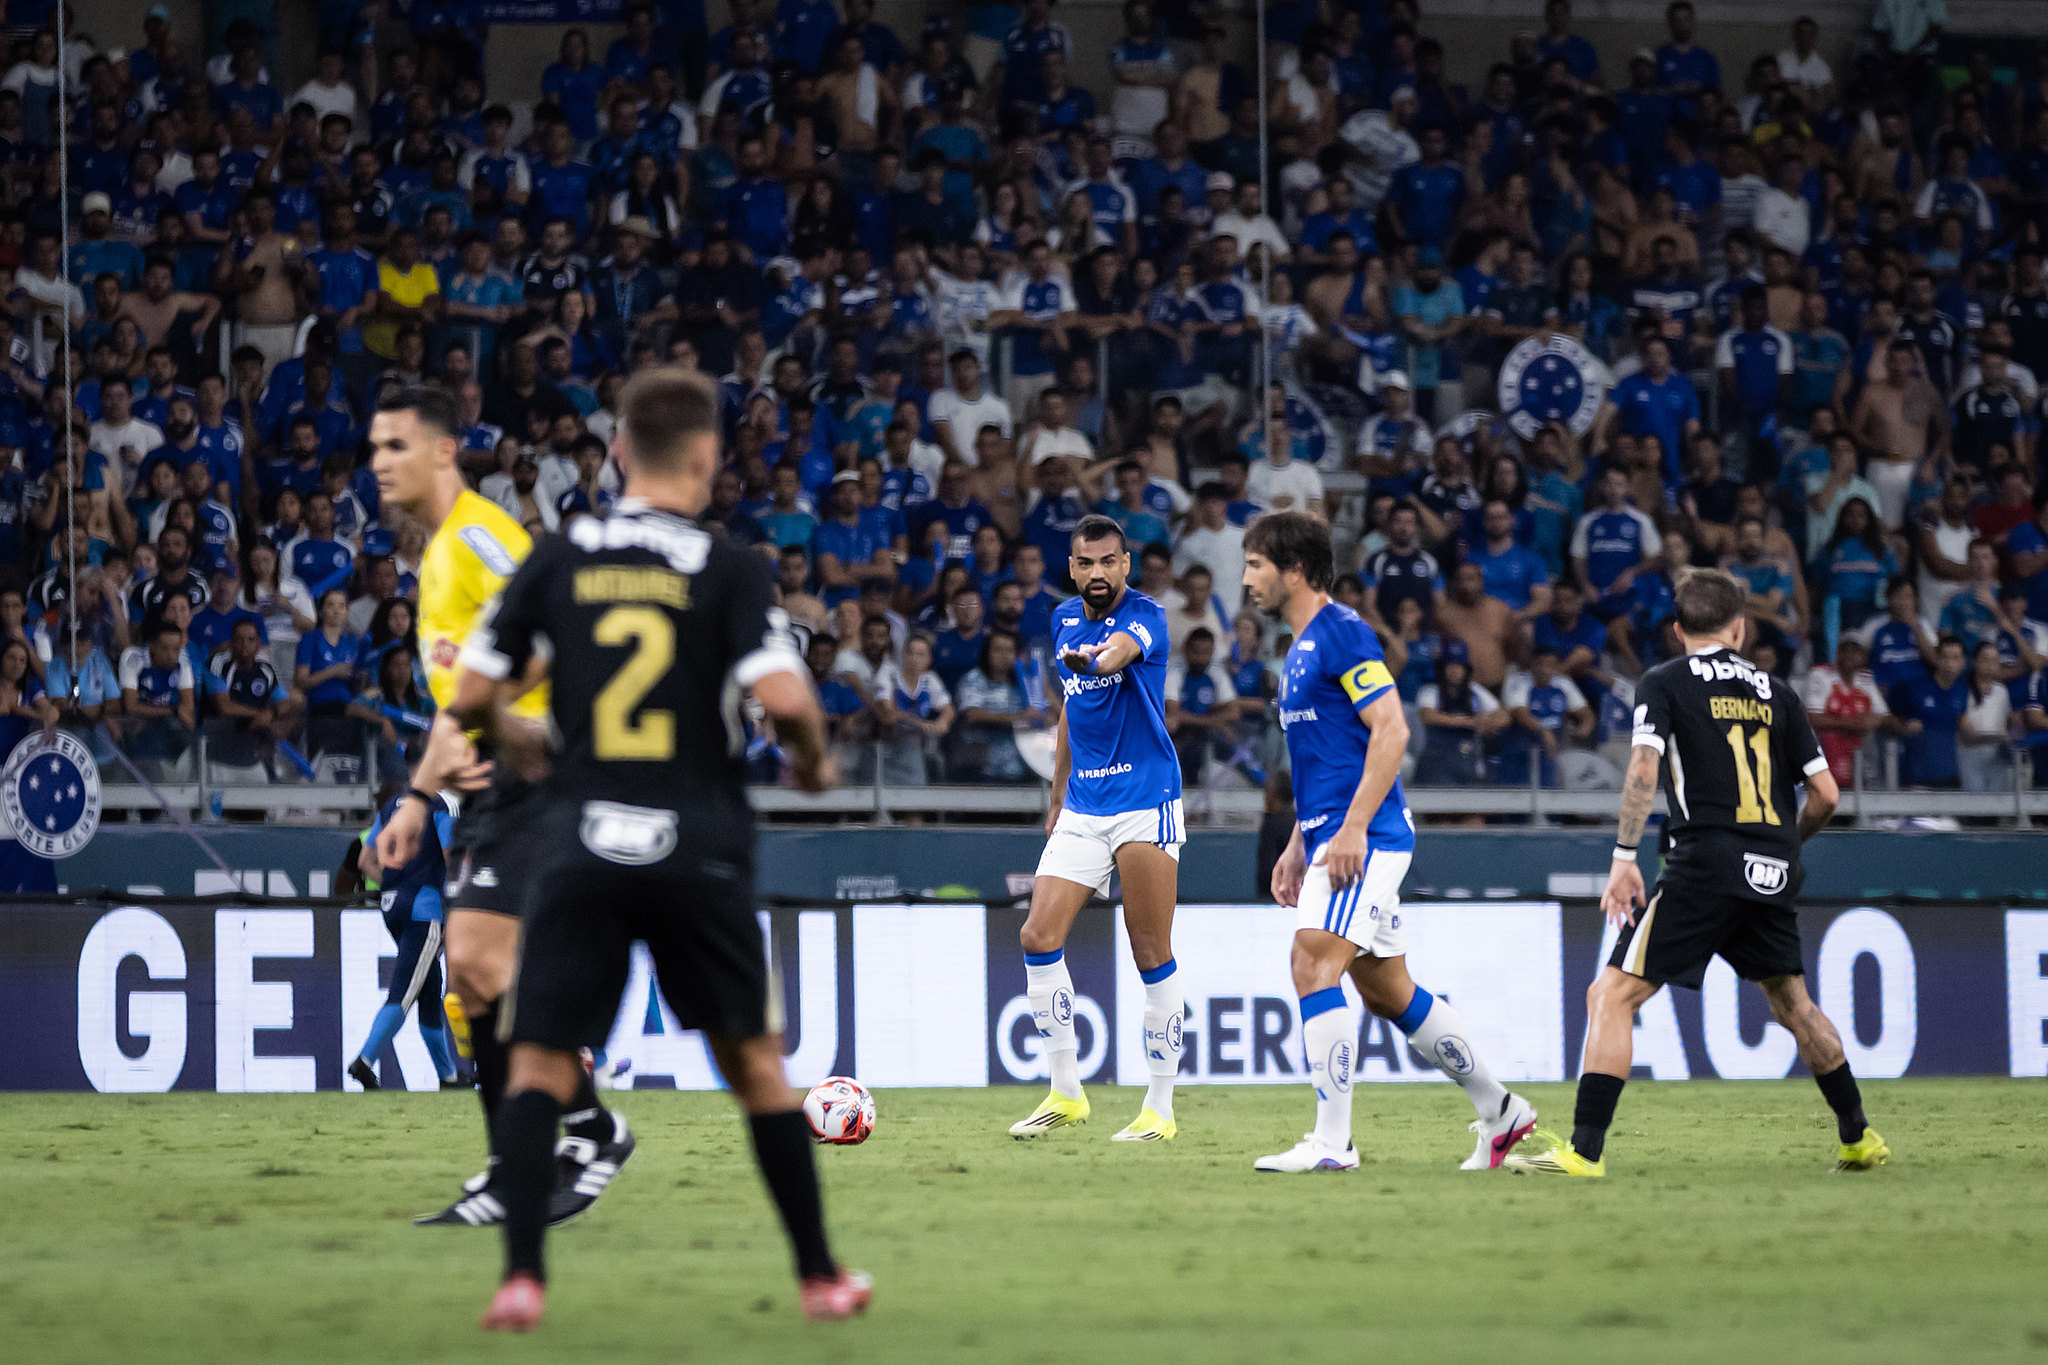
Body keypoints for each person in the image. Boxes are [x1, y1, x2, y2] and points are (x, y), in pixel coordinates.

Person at [446, 367, 869, 1328]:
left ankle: (521, 1280)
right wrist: (812, 765)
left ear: (619, 454)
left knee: (539, 1065)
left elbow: (471, 695)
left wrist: (519, 736)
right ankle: (819, 1278)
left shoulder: (557, 556)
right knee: (757, 1065)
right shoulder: (727, 566)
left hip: (578, 840)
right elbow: (792, 701)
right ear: (710, 458)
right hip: (698, 847)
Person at [1508, 568, 1887, 1177]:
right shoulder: (1777, 692)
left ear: (1679, 628)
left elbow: (1641, 769)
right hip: (1771, 868)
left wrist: (1624, 857)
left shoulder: (1664, 682)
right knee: (1795, 1006)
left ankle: (1583, 1153)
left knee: (1610, 994)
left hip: (1706, 861)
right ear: (1739, 627)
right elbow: (1826, 794)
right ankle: (1858, 1136)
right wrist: (1782, 847)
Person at [369, 387, 628, 1230]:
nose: (379, 462)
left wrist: (510, 715)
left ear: (444, 452)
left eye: (397, 446)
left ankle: (586, 1128)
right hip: (478, 780)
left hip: (531, 770)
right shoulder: (438, 559)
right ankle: (519, 1164)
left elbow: (565, 621)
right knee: (472, 978)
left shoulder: (478, 533)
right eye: (374, 447)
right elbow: (458, 697)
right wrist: (417, 794)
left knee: (481, 961)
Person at [1244, 512, 1536, 1174]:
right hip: (1335, 832)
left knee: (1311, 962)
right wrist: (1298, 839)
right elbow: (1327, 759)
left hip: (1364, 837)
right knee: (1388, 992)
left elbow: (1393, 730)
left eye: (1255, 564)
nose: (1246, 579)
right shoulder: (1298, 649)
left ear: (1293, 570)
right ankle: (1502, 1111)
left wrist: (1347, 829)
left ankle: (1332, 1143)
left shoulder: (1343, 631)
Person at [1013, 513, 1184, 1143]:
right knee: (1036, 935)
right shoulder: (1060, 619)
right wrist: (1057, 793)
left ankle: (1159, 1111)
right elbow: (1070, 709)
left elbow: (1117, 655)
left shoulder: (1147, 616)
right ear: (1072, 568)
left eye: (1108, 561)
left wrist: (1098, 655)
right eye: (1085, 563)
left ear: (1125, 565)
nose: (1096, 573)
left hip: (1145, 800)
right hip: (1084, 806)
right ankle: (1066, 1092)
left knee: (1151, 954)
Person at [347, 767, 463, 1092]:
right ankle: (364, 1061)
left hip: (392, 905)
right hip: (424, 908)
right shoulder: (440, 804)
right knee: (404, 991)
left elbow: (365, 861)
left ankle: (449, 1077)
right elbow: (450, 856)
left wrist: (396, 886)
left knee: (428, 988)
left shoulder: (391, 806)